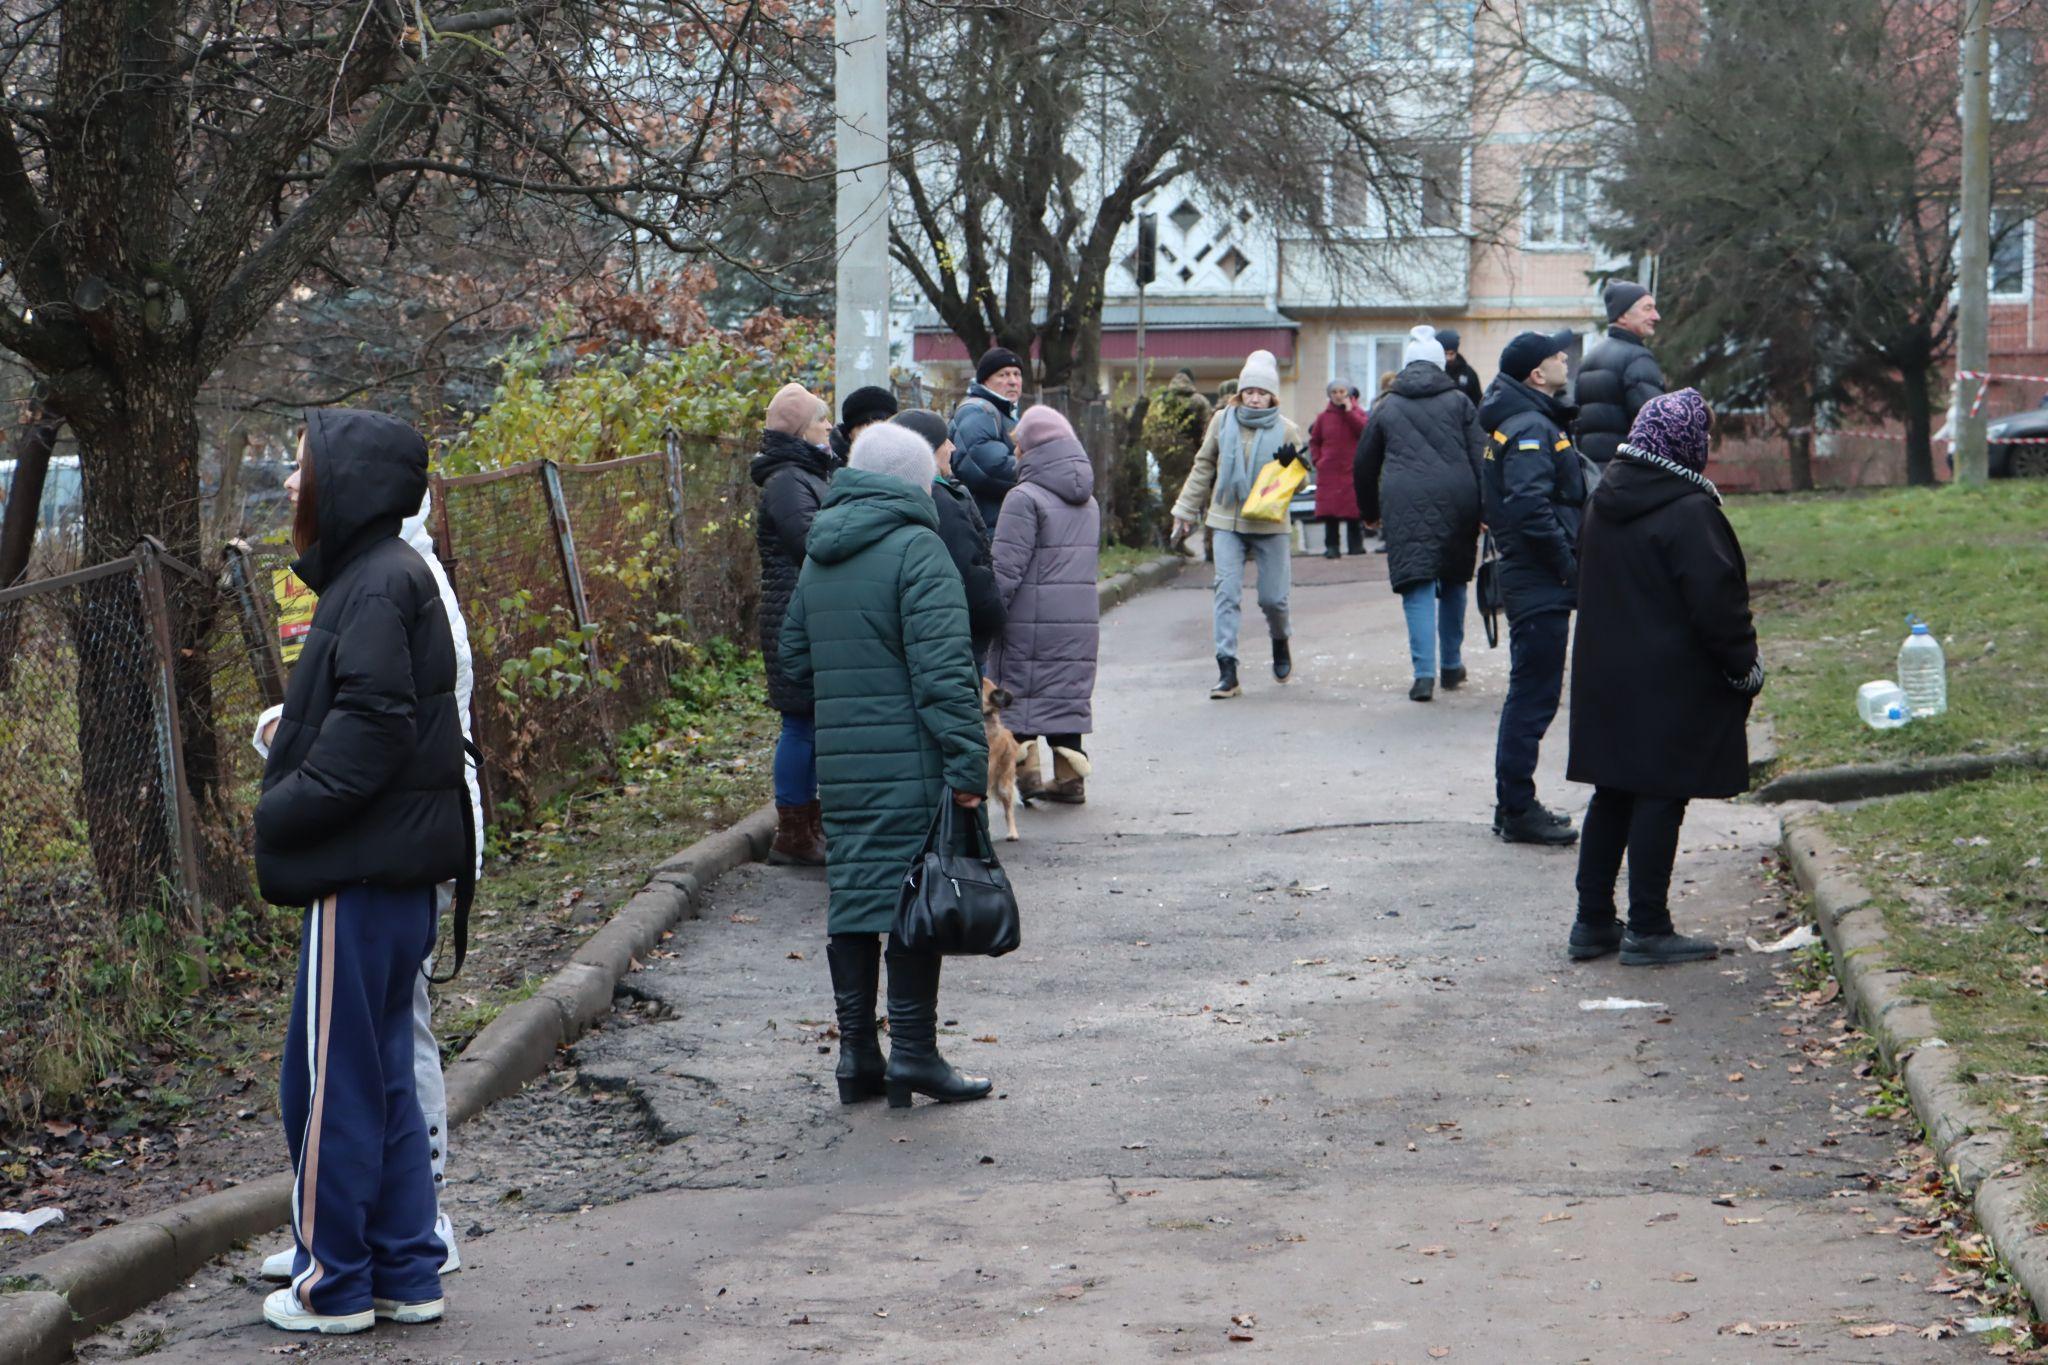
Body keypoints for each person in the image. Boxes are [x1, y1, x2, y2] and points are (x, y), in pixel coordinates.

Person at [255, 410, 473, 1334]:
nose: (293, 487)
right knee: (380, 1073)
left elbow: (374, 726)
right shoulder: (388, 573)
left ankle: (334, 1283)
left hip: (363, 871)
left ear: (347, 482)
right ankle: (406, 1269)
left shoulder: (377, 583)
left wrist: (284, 800)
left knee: (331, 1082)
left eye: (303, 470)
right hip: (397, 870)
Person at [779, 424, 993, 1110]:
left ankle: (855, 1056)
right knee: (911, 901)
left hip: (843, 763)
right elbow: (945, 674)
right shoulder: (917, 549)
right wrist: (967, 765)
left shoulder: (820, 554)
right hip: (912, 759)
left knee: (854, 897)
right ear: (912, 481)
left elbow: (794, 662)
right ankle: (916, 1055)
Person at [1567, 389, 1763, 966]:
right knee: (1659, 794)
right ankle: (1648, 927)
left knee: (1613, 791)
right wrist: (1744, 667)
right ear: (1686, 442)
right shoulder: (1689, 510)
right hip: (1670, 679)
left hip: (1607, 675)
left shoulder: (1602, 500)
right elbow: (1718, 604)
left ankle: (1593, 922)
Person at [1480, 330, 1590, 847]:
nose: (1564, 358)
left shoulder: (1534, 419)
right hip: (1538, 577)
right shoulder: (1528, 426)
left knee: (1533, 692)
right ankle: (1517, 808)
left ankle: (1514, 806)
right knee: (1533, 695)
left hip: (1537, 575)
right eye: (1555, 355)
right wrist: (1568, 565)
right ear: (1535, 374)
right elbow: (1529, 506)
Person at [1354, 325, 1484, 702]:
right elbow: (1481, 455)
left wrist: (1369, 511)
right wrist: (1487, 507)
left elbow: (1364, 463)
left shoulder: (1387, 405)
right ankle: (1451, 666)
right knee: (1454, 578)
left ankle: (1423, 674)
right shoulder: (1460, 401)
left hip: (1404, 497)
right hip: (1459, 495)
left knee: (1418, 580)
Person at [1171, 349, 1307, 699]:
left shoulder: (1286, 430)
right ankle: (1227, 669)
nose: (1255, 399)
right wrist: (1185, 510)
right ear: (1240, 393)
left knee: (1273, 598)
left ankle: (1280, 640)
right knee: (1226, 591)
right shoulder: (1222, 421)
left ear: (1272, 395)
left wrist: (1293, 466)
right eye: (1249, 392)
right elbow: (1203, 467)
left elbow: (1303, 482)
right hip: (1227, 520)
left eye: (1261, 393)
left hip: (1270, 523)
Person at [989, 406, 1101, 805]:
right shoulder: (1089, 501)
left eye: (1018, 446)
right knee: (1066, 694)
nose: (1015, 454)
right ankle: (1071, 777)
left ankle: (1027, 772)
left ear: (1033, 448)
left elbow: (1005, 567)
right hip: (1078, 621)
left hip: (1027, 620)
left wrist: (988, 614)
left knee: (1017, 694)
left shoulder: (1023, 498)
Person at [752, 382, 837, 865]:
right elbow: (812, 541)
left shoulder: (806, 474)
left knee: (812, 722)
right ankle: (793, 833)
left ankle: (810, 824)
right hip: (791, 619)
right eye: (822, 420)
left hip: (804, 613)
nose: (829, 427)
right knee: (800, 723)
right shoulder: (788, 480)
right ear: (803, 429)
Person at [892, 408, 1006, 664]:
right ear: (927, 449)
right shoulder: (942, 502)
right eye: (945, 441)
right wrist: (993, 617)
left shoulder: (889, 494)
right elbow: (968, 572)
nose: (953, 448)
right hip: (953, 639)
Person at [1574, 281, 1665, 466]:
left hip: (1594, 475)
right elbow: (1656, 423)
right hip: (1629, 476)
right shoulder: (1637, 358)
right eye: (1647, 309)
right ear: (1623, 315)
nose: (1656, 316)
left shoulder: (1589, 359)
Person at [950, 347, 1026, 528]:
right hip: (988, 524)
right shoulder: (978, 411)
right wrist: (1036, 470)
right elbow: (986, 467)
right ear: (985, 380)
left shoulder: (1004, 413)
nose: (1013, 381)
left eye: (1017, 374)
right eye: (1003, 375)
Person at [1308, 379, 1368, 558]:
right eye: (1334, 392)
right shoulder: (1323, 417)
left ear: (1348, 393)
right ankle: (1332, 547)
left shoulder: (1358, 413)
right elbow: (1315, 441)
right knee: (1330, 512)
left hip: (1352, 468)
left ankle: (1356, 546)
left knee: (1353, 511)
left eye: (1342, 391)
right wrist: (1318, 460)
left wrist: (1349, 413)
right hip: (1329, 470)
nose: (1338, 395)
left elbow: (1365, 432)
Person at [828, 384, 898, 465]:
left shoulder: (907, 462)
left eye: (882, 425)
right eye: (867, 424)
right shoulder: (830, 471)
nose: (873, 433)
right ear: (850, 434)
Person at [1437, 328, 1484, 409]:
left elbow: (1477, 402)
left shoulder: (1469, 373)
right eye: (1445, 354)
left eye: (1451, 354)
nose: (1448, 358)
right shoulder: (1434, 371)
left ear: (1456, 352)